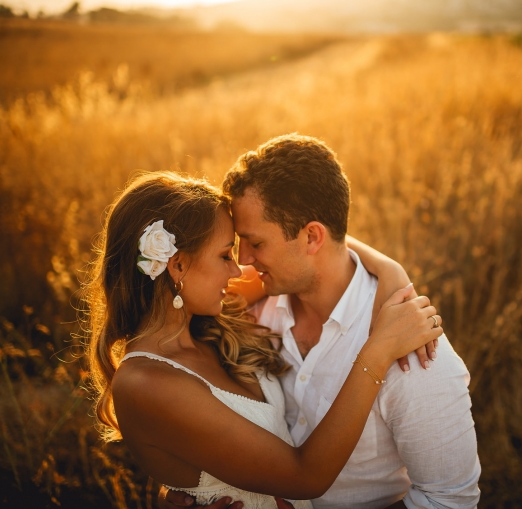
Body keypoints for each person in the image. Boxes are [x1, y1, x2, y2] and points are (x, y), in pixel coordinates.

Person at [84, 171, 443, 509]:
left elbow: (314, 247)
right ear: (176, 266)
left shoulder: (209, 320)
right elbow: (306, 476)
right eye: (226, 254)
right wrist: (377, 352)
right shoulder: (145, 382)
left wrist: (390, 271)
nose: (238, 269)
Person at [162, 134, 481, 509]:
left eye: (256, 243)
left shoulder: (416, 354)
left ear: (312, 236)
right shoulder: (249, 308)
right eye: (237, 245)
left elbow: (448, 501)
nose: (243, 260)